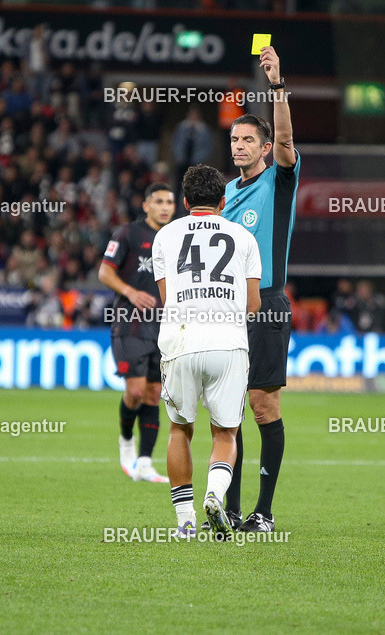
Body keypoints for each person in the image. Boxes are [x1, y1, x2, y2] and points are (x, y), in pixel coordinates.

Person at [152, 165, 261, 537]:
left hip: (180, 342)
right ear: (223, 201)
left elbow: (167, 299)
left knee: (180, 429)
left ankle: (184, 521)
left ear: (184, 202)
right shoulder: (244, 237)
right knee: (226, 433)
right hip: (228, 344)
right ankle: (215, 495)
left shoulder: (165, 236)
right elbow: (254, 304)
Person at [219, 45, 300, 533]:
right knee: (228, 407)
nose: (239, 146)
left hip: (266, 304)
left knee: (262, 404)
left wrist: (276, 84)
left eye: (248, 140)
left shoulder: (280, 181)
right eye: (234, 139)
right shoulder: (227, 192)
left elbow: (287, 135)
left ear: (266, 148)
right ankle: (228, 508)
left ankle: (263, 512)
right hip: (226, 307)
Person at [98, 182, 175, 483]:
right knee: (135, 391)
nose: (165, 207)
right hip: (129, 323)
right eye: (158, 201)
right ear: (146, 206)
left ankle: (144, 463)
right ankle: (126, 441)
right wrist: (130, 291)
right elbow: (105, 271)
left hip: (163, 327)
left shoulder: (175, 238)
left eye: (169, 201)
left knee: (154, 394)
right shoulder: (128, 233)